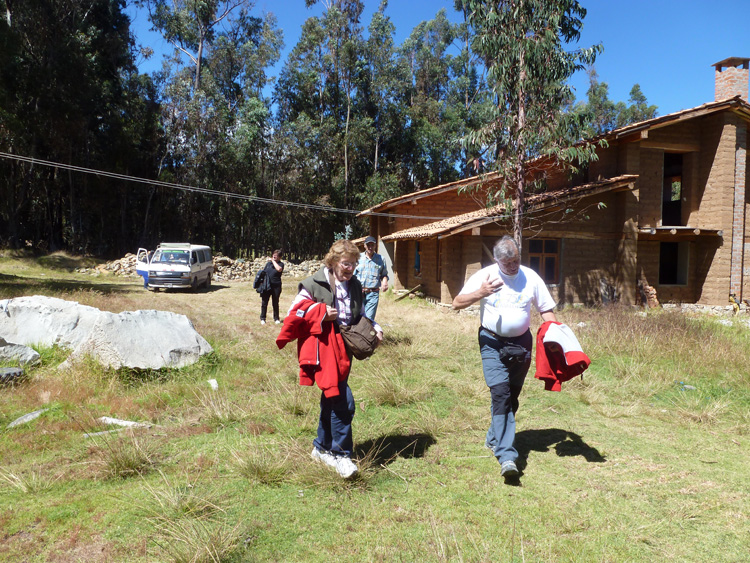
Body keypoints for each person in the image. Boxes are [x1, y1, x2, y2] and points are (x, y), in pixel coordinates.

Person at [452, 235, 557, 479]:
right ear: (497, 260)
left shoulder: (530, 277)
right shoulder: (485, 276)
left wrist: (556, 337)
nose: (513, 267)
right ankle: (507, 456)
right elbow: (457, 303)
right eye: (507, 263)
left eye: (516, 260)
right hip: (491, 342)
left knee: (512, 397)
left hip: (521, 344)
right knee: (500, 393)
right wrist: (481, 292)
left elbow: (546, 310)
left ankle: (493, 437)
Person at [283, 239, 383, 478]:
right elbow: (293, 312)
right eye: (347, 264)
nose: (351, 269)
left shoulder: (355, 284)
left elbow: (358, 315)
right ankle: (341, 455)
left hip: (344, 351)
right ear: (334, 261)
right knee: (343, 401)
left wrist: (375, 327)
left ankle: (320, 447)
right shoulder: (314, 284)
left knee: (331, 398)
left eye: (354, 264)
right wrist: (320, 312)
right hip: (324, 350)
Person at [354, 235, 389, 321]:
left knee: (369, 318)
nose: (370, 247)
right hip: (359, 292)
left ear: (375, 246)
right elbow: (352, 275)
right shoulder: (358, 258)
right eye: (368, 245)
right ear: (364, 245)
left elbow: (384, 274)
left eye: (372, 245)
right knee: (357, 317)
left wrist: (384, 282)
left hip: (373, 293)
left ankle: (367, 334)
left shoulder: (381, 259)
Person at [259, 249, 284, 325]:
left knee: (275, 302)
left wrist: (273, 261)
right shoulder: (268, 264)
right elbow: (264, 273)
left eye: (276, 255)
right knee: (264, 302)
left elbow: (279, 269)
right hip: (267, 286)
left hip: (276, 286)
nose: (274, 256)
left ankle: (276, 318)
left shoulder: (281, 264)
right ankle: (263, 318)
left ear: (279, 257)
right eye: (274, 254)